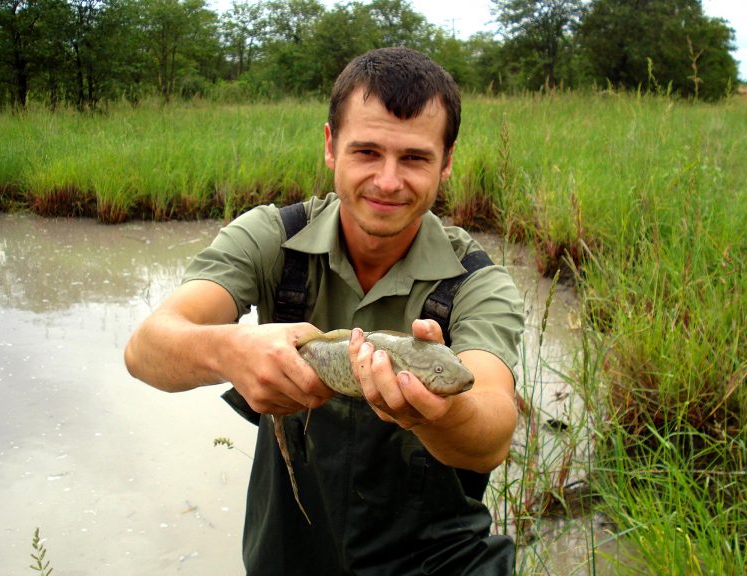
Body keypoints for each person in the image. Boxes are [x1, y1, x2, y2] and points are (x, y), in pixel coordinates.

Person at [125, 47, 524, 575]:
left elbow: (493, 429)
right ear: (331, 145)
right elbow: (145, 348)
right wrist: (231, 349)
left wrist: (439, 414)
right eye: (366, 152)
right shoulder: (270, 237)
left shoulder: (478, 281)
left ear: (446, 162)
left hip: (439, 562)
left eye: (414, 158)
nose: (387, 181)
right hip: (289, 556)